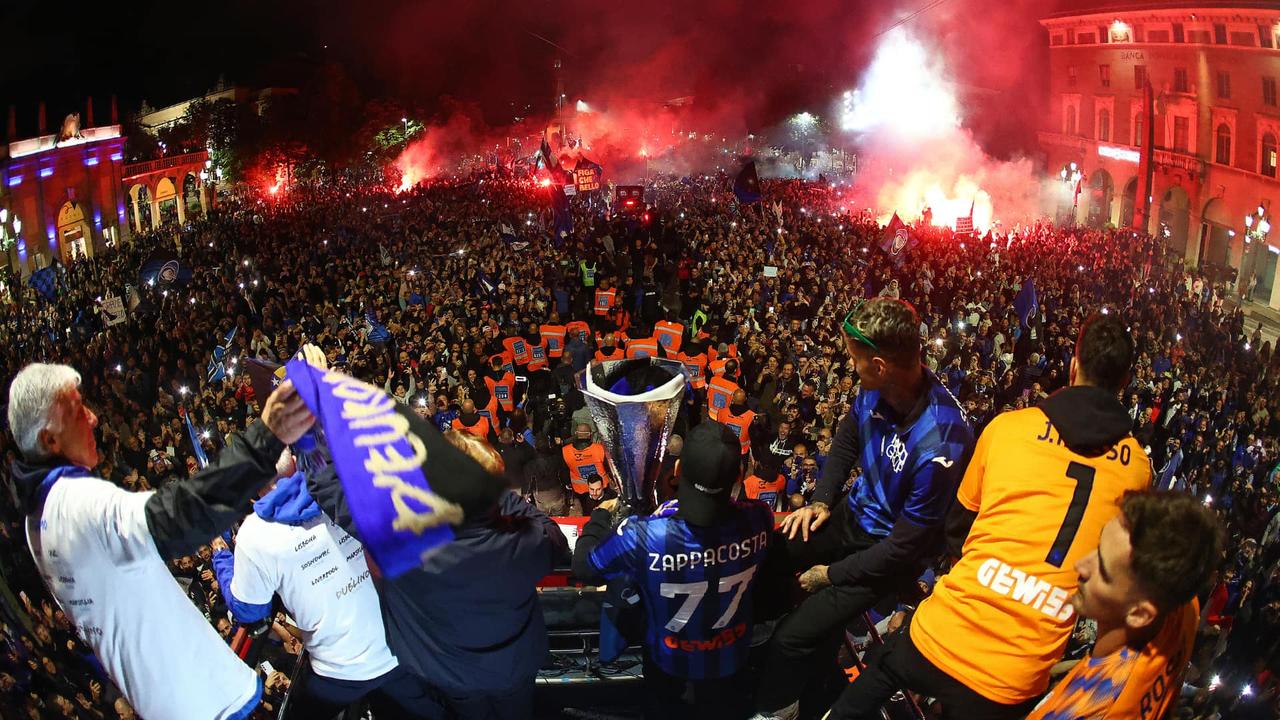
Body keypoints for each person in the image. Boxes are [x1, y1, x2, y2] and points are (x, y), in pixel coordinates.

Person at [831, 312, 1153, 719]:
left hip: (949, 626)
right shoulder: (1139, 470)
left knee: (871, 682)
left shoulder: (1009, 427)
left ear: (1073, 365)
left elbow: (958, 526)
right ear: (1125, 382)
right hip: (1014, 676)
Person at [8, 362, 314, 720]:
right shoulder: (74, 503)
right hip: (204, 701)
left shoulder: (37, 521)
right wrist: (266, 436)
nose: (92, 418)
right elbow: (181, 516)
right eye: (78, 410)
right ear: (50, 439)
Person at [752, 298, 974, 720]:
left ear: (879, 365)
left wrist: (830, 575)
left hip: (883, 554)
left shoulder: (941, 445)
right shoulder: (875, 386)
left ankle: (775, 710)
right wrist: (821, 500)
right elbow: (850, 432)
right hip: (853, 513)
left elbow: (903, 549)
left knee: (792, 638)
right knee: (776, 553)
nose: (849, 367)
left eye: (854, 360)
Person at [308, 427, 569, 720]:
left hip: (450, 670)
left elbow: (329, 489)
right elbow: (554, 536)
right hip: (512, 667)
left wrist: (312, 438)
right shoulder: (525, 540)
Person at [572, 422, 774, 719]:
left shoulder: (646, 535)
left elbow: (586, 568)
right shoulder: (759, 518)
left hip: (669, 663)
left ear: (677, 470)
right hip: (730, 660)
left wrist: (600, 517)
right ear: (740, 476)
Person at [211, 458, 433, 719]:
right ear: (295, 461)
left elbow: (247, 610)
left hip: (339, 669)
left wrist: (221, 558)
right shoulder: (344, 483)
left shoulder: (254, 536)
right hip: (400, 646)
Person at [1026, 490, 1222, 720]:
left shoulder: (1083, 710)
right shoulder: (1182, 605)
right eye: (1098, 548)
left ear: (1139, 613)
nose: (1081, 565)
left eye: (1103, 571)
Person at [563, 422, 612, 494]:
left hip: (580, 490)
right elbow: (609, 468)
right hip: (601, 488)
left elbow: (564, 472)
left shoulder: (565, 451)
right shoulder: (600, 448)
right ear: (590, 434)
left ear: (576, 433)